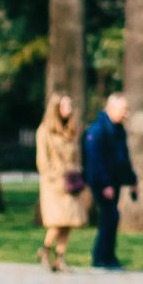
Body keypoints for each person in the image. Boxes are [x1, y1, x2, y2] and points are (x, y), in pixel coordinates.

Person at [34, 94, 89, 272]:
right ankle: (45, 249)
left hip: (71, 182)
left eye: (70, 105)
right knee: (57, 221)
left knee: (69, 222)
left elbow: (77, 155)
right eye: (65, 106)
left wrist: (78, 172)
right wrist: (54, 175)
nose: (69, 110)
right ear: (56, 108)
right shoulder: (45, 130)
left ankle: (60, 257)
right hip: (54, 184)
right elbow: (42, 160)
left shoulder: (72, 130)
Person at [82, 91, 135, 271]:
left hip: (115, 182)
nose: (126, 113)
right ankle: (101, 258)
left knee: (111, 218)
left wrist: (132, 180)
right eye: (123, 109)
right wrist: (104, 184)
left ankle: (108, 256)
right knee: (109, 217)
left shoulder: (118, 129)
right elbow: (94, 160)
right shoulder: (98, 130)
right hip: (103, 183)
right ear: (111, 108)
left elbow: (123, 158)